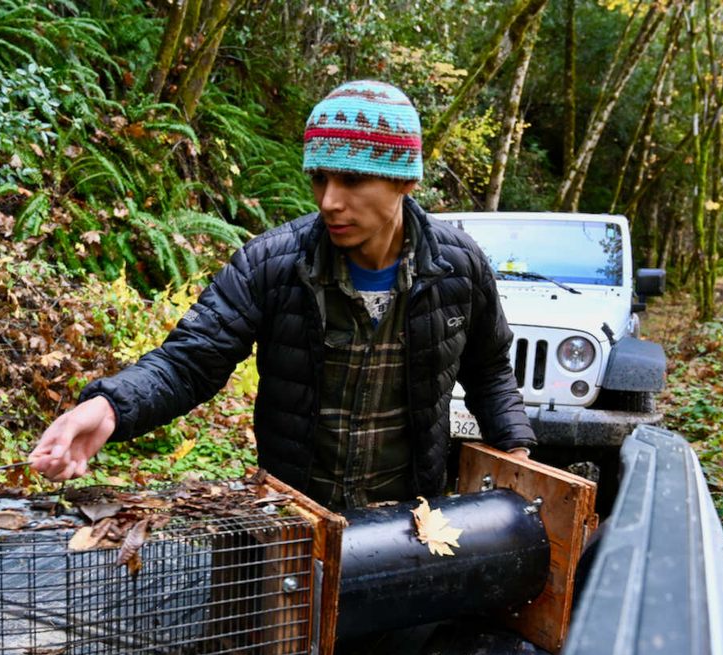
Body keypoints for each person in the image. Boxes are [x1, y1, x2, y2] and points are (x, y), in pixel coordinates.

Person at [29, 79, 535, 509]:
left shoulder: (459, 268)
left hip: (407, 520)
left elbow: (489, 370)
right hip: (294, 514)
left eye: (352, 179)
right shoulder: (270, 264)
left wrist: (515, 454)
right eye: (319, 179)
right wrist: (108, 408)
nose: (330, 201)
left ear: (405, 180)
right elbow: (189, 362)